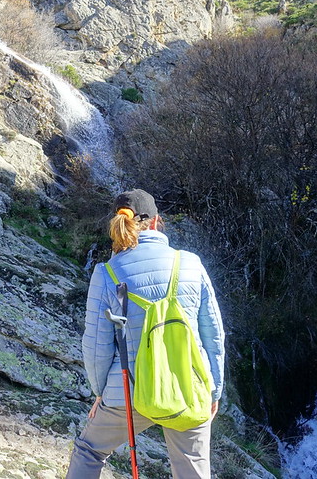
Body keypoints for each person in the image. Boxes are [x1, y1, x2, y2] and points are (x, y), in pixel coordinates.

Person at [66, 189, 225, 479]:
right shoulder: (190, 263)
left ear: (119, 223)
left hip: (127, 390)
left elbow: (97, 345)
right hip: (188, 387)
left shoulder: (107, 273)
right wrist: (214, 389)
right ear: (156, 222)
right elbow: (213, 334)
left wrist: (101, 393)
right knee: (192, 469)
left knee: (89, 451)